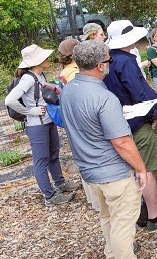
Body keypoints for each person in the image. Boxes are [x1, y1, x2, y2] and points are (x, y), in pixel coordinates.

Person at [61, 40, 147, 258]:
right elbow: (122, 143)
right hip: (114, 173)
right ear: (100, 66)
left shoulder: (69, 90)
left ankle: (112, 254)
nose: (109, 64)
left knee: (108, 218)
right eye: (108, 60)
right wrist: (141, 169)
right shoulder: (104, 97)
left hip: (90, 171)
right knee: (123, 226)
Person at [104, 20, 157, 232]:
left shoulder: (108, 60)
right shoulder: (126, 61)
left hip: (121, 121)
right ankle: (154, 218)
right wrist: (155, 114)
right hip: (139, 121)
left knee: (138, 169)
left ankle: (145, 212)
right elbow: (139, 93)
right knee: (148, 169)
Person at [5, 44, 81, 206]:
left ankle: (60, 183)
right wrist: (30, 111)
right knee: (41, 160)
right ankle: (50, 196)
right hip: (36, 125)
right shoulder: (28, 78)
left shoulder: (40, 75)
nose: (48, 59)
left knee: (53, 155)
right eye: (44, 57)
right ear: (36, 61)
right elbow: (10, 100)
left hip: (48, 121)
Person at [57, 38, 101, 211]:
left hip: (73, 120)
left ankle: (92, 199)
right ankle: (96, 201)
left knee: (82, 157)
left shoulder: (65, 71)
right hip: (81, 119)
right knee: (90, 157)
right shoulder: (73, 72)